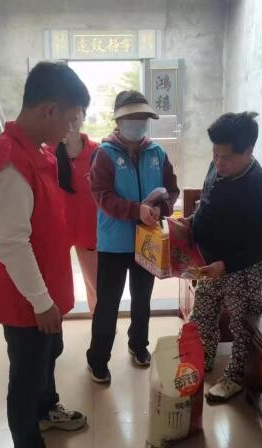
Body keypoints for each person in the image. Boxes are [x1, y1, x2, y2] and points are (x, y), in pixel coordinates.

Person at [0, 62, 90, 448]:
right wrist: (41, 301)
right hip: (26, 297)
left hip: (44, 287)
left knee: (49, 353)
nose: (71, 130)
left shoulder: (35, 150)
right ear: (49, 110)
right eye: (69, 120)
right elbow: (12, 245)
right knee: (25, 375)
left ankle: (46, 409)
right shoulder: (11, 163)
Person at [182, 111, 262, 403]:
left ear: (248, 151)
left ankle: (236, 377)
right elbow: (206, 204)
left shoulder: (260, 188)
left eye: (226, 157)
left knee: (242, 324)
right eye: (215, 154)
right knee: (202, 316)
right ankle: (203, 360)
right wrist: (189, 223)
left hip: (240, 268)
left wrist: (226, 265)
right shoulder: (217, 166)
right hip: (208, 262)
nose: (218, 162)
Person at [86, 90, 180, 384]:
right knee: (107, 304)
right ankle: (98, 358)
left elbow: (171, 189)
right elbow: (102, 196)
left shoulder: (157, 153)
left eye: (142, 117)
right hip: (113, 244)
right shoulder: (104, 154)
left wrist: (161, 208)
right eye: (131, 117)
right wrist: (135, 210)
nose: (137, 122)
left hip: (147, 242)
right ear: (118, 121)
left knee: (142, 300)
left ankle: (138, 345)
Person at [50, 111, 99, 315]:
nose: (70, 118)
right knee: (54, 284)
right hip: (56, 229)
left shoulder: (97, 151)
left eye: (75, 112)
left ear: (83, 115)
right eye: (65, 111)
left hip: (89, 226)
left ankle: (100, 325)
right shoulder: (47, 152)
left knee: (96, 284)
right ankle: (53, 326)